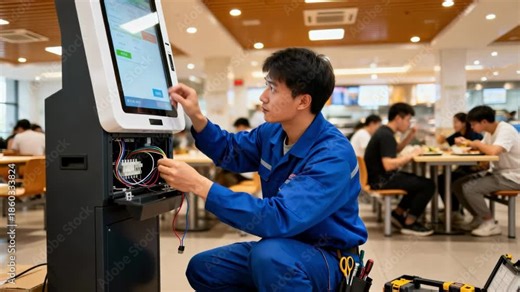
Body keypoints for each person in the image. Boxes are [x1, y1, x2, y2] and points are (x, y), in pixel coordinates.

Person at [158, 48, 367, 291]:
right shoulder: (272, 133)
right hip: (283, 246)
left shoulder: (332, 155)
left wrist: (199, 184)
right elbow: (230, 150)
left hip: (328, 257)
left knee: (270, 256)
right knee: (205, 268)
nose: (263, 97)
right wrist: (195, 115)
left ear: (303, 101)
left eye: (273, 88)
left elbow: (278, 218)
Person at [364, 103, 435, 236]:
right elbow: (389, 165)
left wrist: (410, 135)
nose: (409, 124)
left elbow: (396, 150)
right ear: (398, 118)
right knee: (427, 184)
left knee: (415, 181)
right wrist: (412, 155)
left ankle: (398, 214)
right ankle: (409, 223)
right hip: (381, 180)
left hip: (378, 178)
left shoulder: (385, 132)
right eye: (408, 120)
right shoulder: (386, 135)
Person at [452, 106, 520, 236]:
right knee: (457, 185)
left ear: (483, 122)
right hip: (499, 173)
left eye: (473, 124)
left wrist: (476, 143)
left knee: (470, 188)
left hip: (513, 177)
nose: (471, 127)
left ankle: (490, 223)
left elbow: (493, 151)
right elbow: (484, 149)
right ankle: (478, 218)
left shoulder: (505, 130)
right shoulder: (490, 132)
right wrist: (469, 144)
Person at [436, 112, 483, 222]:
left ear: (464, 123)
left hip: (473, 169)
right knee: (442, 178)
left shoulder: (473, 135)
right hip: (462, 168)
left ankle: (455, 211)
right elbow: (443, 141)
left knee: (447, 179)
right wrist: (441, 138)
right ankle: (454, 210)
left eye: (456, 122)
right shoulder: (457, 134)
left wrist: (466, 144)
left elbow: (479, 151)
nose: (454, 125)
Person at [214, 117, 254, 186]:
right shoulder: (253, 134)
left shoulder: (245, 135)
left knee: (222, 174)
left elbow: (233, 152)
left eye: (237, 127)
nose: (237, 130)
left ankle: (221, 193)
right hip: (252, 172)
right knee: (222, 171)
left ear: (241, 126)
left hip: (247, 173)